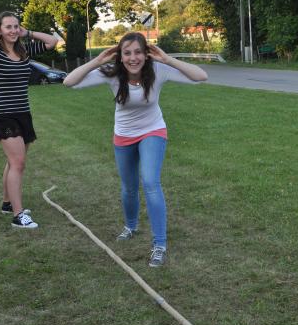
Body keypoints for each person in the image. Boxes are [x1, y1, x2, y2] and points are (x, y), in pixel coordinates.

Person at [63, 32, 207, 266]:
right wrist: (97, 61)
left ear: (146, 54)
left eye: (138, 52)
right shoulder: (113, 73)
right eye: (127, 53)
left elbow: (201, 76)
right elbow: (69, 82)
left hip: (153, 131)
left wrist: (167, 59)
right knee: (129, 188)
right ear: (120, 56)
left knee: (150, 182)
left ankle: (159, 244)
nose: (133, 58)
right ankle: (131, 226)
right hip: (123, 135)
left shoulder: (158, 70)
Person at [0, 11, 58, 229]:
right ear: (0, 30)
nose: (13, 31)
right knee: (18, 163)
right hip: (5, 115)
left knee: (13, 162)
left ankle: (7, 204)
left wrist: (28, 33)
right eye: (8, 27)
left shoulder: (24, 51)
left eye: (15, 26)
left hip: (23, 113)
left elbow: (52, 42)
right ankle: (18, 216)